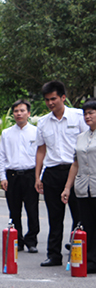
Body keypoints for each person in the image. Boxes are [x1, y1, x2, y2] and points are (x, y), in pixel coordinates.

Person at [35, 81, 87, 267]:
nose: (50, 103)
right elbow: (41, 150)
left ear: (63, 98)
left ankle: (77, 252)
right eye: (47, 100)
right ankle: (54, 255)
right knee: (54, 217)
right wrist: (37, 177)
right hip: (52, 173)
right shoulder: (43, 122)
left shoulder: (79, 117)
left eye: (54, 99)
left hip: (76, 171)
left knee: (79, 215)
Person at [0, 100, 40, 253]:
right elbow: (1, 156)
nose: (19, 113)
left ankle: (32, 240)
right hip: (12, 175)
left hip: (30, 175)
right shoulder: (6, 133)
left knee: (32, 209)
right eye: (16, 111)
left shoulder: (36, 132)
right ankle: (18, 240)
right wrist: (3, 177)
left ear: (28, 113)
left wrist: (38, 178)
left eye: (22, 110)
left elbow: (42, 156)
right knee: (14, 211)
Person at [61, 97, 96, 274]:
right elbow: (75, 163)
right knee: (87, 224)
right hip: (83, 187)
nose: (87, 116)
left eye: (91, 113)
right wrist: (68, 187)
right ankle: (89, 259)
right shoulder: (81, 137)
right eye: (85, 114)